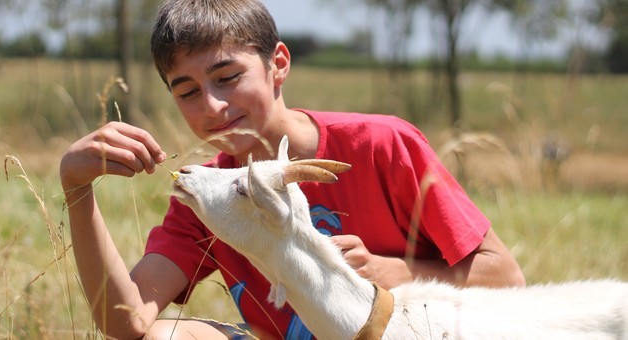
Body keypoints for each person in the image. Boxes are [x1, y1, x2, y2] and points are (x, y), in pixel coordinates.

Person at [59, 0, 526, 338]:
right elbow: (129, 320)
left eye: (227, 77)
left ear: (277, 64)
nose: (213, 106)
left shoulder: (382, 145)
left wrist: (390, 271)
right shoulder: (209, 196)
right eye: (187, 91)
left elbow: (505, 276)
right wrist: (77, 190)